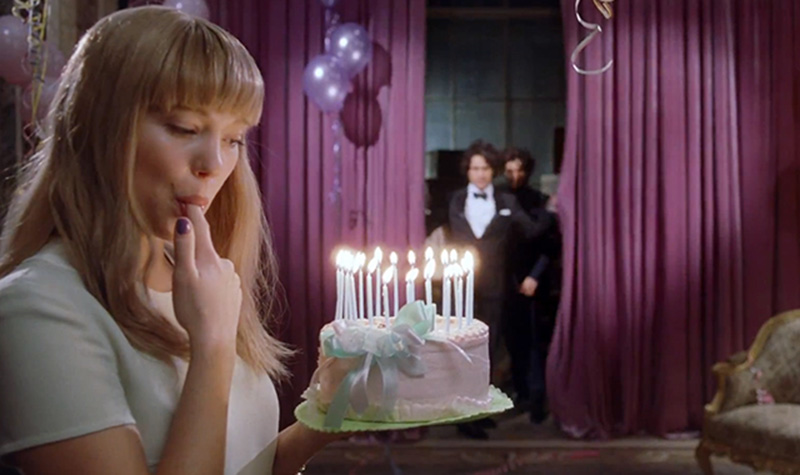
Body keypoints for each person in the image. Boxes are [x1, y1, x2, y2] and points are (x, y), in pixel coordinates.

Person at [0, 7, 341, 474]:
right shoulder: (37, 308)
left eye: (234, 138)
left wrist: (326, 418)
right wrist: (213, 348)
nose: (213, 164)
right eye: (185, 128)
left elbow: (246, 462)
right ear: (101, 128)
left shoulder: (196, 279)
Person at [447, 140, 552, 439]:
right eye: (475, 168)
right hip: (463, 288)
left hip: (494, 288)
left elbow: (532, 230)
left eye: (485, 168)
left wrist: (553, 210)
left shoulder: (506, 201)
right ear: (468, 171)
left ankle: (478, 412)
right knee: (462, 351)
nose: (480, 174)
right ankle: (463, 417)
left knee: (487, 352)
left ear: (493, 171)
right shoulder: (456, 200)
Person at [499, 147, 561, 424]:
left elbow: (550, 245)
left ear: (528, 171)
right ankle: (521, 394)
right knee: (514, 342)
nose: (515, 176)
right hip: (506, 281)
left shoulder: (540, 201)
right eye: (509, 171)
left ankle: (537, 400)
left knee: (536, 342)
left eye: (519, 170)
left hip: (535, 282)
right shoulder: (498, 199)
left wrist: (534, 276)